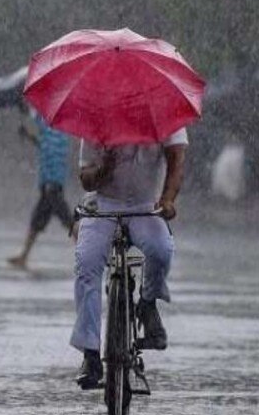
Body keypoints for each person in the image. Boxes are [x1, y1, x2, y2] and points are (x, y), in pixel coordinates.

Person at [73, 128, 188, 389]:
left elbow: (176, 160)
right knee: (86, 264)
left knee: (161, 250)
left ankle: (147, 304)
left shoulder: (165, 115)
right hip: (103, 206)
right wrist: (105, 168)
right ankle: (90, 353)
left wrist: (168, 199)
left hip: (145, 208)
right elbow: (86, 179)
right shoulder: (97, 119)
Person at [8, 113, 73, 269]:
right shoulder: (56, 132)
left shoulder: (54, 131)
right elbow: (44, 147)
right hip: (49, 185)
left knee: (68, 221)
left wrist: (50, 182)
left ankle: (88, 254)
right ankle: (24, 256)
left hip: (52, 185)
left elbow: (50, 152)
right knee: (37, 222)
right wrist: (28, 136)